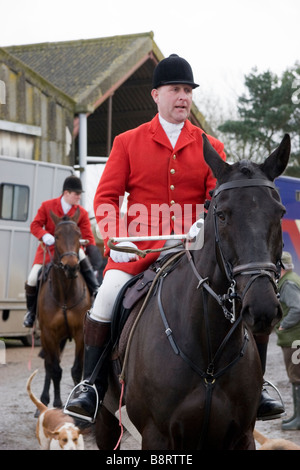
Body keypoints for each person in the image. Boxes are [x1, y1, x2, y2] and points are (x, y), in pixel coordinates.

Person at [64, 54, 283, 422]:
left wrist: (203, 227)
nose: (183, 97)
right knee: (106, 297)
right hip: (139, 248)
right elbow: (104, 199)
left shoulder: (210, 144)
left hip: (194, 248)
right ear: (156, 95)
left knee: (247, 291)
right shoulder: (127, 141)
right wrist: (120, 236)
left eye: (187, 91)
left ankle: (257, 382)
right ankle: (90, 385)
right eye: (175, 90)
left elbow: (220, 200)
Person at [23, 175, 101, 328]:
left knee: (88, 272)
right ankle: (31, 313)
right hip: (49, 250)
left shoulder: (82, 213)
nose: (79, 197)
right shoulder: (47, 206)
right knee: (32, 279)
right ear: (66, 193)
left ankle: (96, 296)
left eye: (80, 194)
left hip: (72, 250)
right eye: (76, 194)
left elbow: (88, 237)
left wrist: (91, 252)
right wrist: (44, 235)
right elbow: (35, 225)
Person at [275, 251, 300, 430]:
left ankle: (299, 419)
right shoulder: (291, 278)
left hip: (294, 339)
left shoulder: (288, 283)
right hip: (294, 339)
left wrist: (283, 325)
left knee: (297, 377)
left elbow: (297, 308)